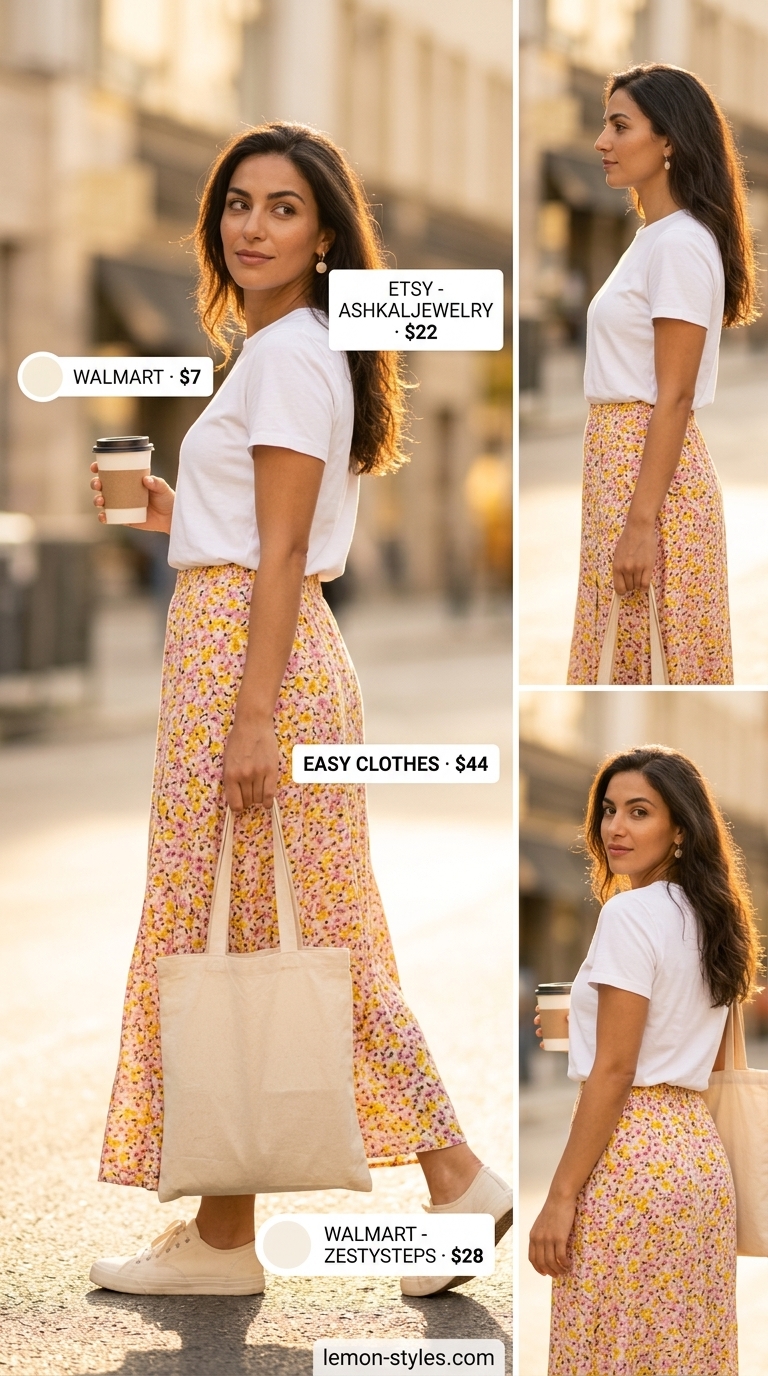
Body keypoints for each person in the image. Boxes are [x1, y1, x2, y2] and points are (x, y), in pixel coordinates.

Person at [87, 121, 511, 1298]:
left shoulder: (286, 356)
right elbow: (262, 534)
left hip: (250, 662)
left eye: (283, 207)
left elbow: (279, 553)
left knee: (283, 932)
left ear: (325, 236)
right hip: (254, 650)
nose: (252, 225)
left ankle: (447, 1176)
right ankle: (234, 1231)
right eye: (238, 203)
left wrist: (256, 716)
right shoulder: (297, 349)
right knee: (264, 927)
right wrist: (177, 513)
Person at [529, 745, 761, 1373]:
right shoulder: (716, 918)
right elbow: (694, 1042)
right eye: (609, 810)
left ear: (680, 829)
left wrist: (560, 1196)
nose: (616, 828)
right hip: (699, 1166)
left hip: (630, 1162)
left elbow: (616, 1071)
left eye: (639, 812)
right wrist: (581, 1023)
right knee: (684, 1351)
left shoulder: (629, 913)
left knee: (612, 1349)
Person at [566, 63, 759, 685]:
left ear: (669, 139)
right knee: (623, 655)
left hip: (653, 489)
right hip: (624, 475)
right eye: (605, 125)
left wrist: (641, 524)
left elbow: (674, 396)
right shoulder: (655, 238)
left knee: (649, 660)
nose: (602, 141)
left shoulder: (679, 244)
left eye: (620, 126)